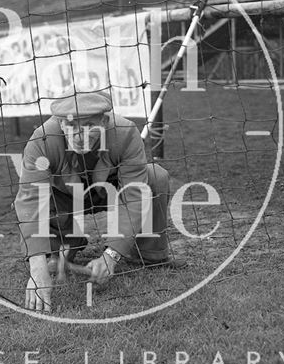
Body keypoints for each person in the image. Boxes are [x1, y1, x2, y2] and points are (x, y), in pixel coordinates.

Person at [14, 89, 186, 313]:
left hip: (109, 192)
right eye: (70, 125)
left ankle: (148, 254)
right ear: (58, 121)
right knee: (35, 222)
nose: (78, 135)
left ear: (104, 121)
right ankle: (64, 244)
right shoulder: (42, 139)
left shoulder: (124, 132)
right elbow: (30, 201)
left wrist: (111, 256)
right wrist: (37, 272)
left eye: (87, 126)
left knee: (155, 176)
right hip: (63, 197)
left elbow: (135, 196)